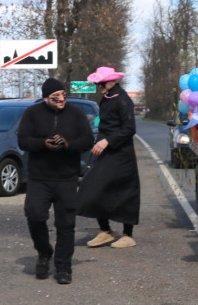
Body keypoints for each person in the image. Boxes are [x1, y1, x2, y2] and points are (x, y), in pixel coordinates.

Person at [16, 78, 95, 284]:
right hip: (39, 178)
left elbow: (87, 140)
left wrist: (67, 145)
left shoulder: (76, 114)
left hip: (67, 178)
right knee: (34, 215)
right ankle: (44, 253)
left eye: (63, 95)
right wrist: (44, 144)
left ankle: (63, 267)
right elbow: (22, 140)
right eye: (56, 97)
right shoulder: (32, 114)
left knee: (66, 224)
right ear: (45, 98)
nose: (61, 99)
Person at [78, 66, 140, 249]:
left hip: (122, 155)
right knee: (94, 187)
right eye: (97, 84)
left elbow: (130, 129)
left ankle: (128, 235)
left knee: (124, 192)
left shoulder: (122, 99)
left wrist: (107, 142)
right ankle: (105, 231)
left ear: (112, 81)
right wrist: (98, 142)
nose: (99, 86)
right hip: (105, 153)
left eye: (101, 83)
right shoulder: (106, 98)